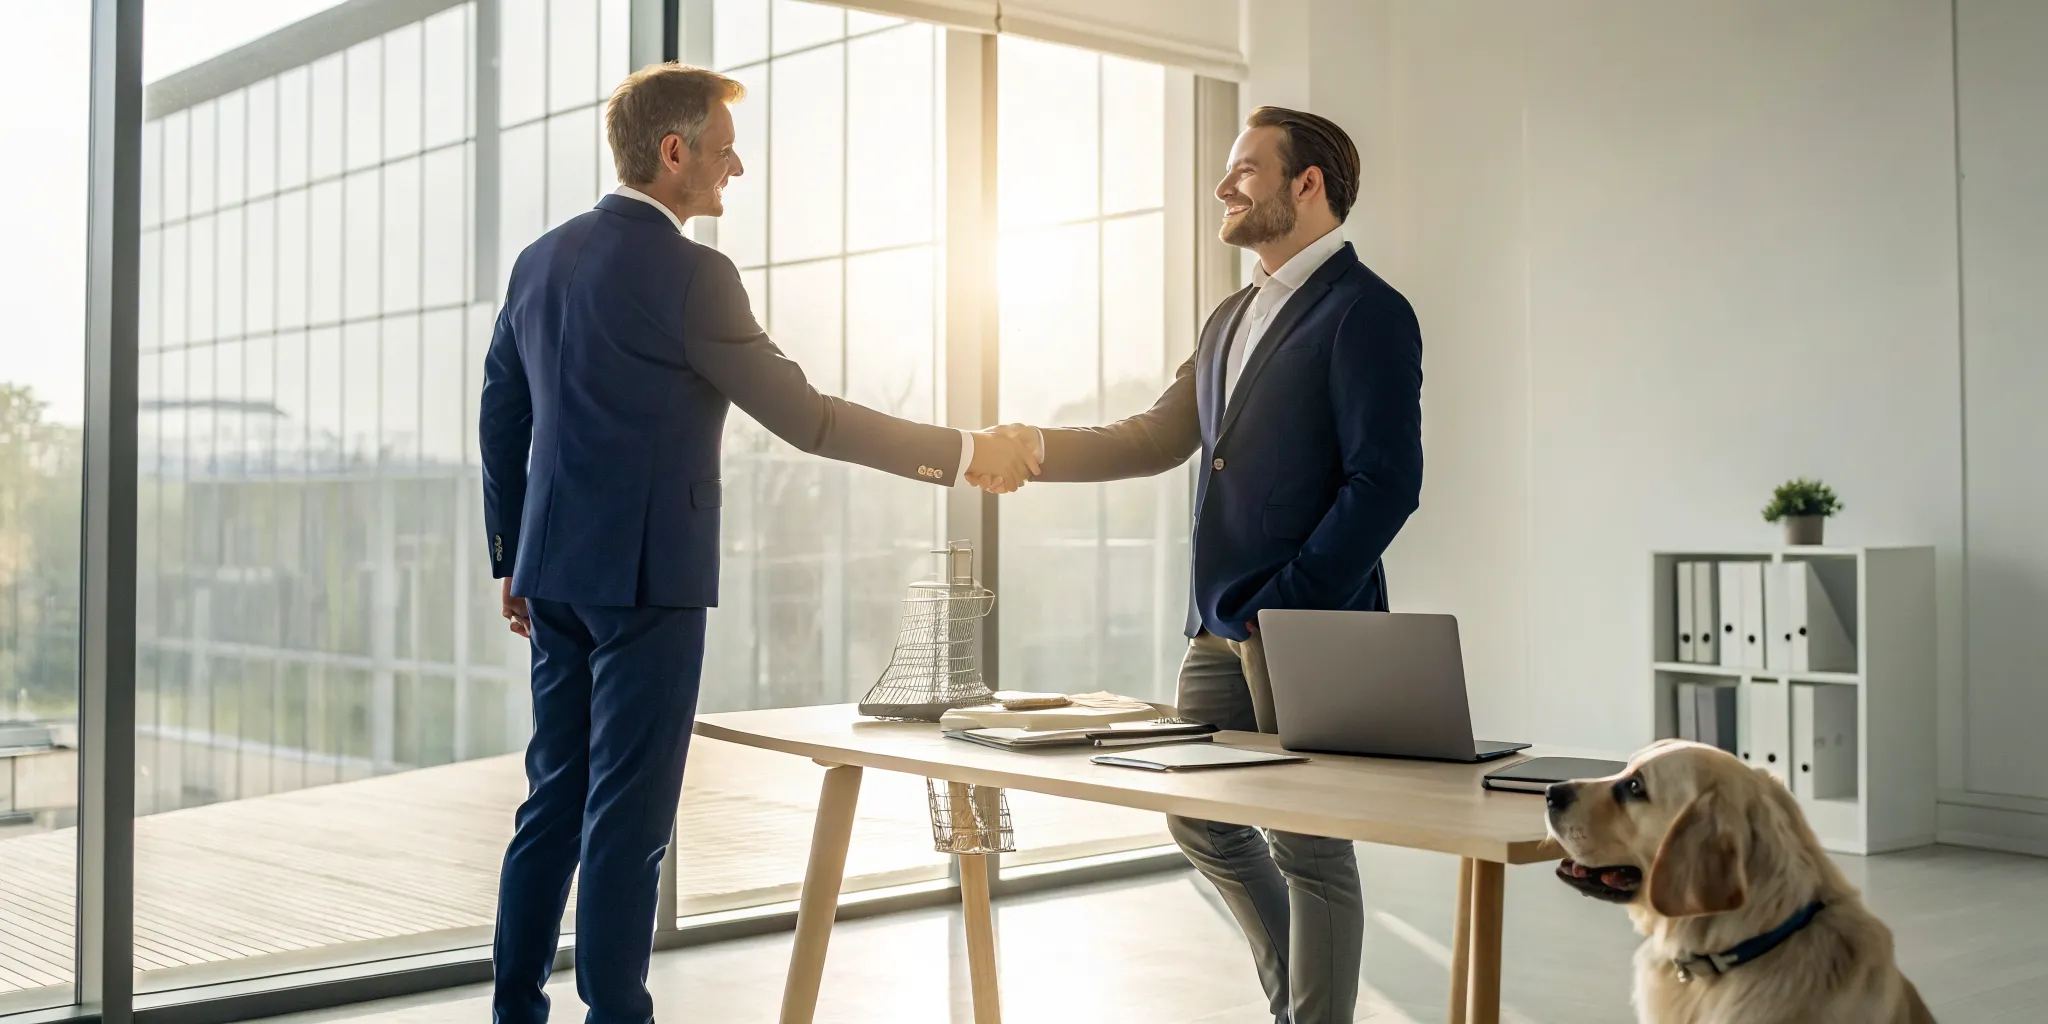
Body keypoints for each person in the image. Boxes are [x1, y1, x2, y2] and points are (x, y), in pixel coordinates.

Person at [478, 63, 1038, 1024]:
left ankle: (514, 1010)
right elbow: (809, 419)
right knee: (627, 821)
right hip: (648, 583)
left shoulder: (542, 259)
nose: (735, 167)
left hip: (552, 577)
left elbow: (501, 410)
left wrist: (509, 555)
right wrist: (963, 451)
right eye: (723, 148)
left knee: (553, 801)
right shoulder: (694, 275)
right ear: (672, 153)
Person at [972, 107, 1422, 1024]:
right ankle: (1300, 1005)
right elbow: (1159, 436)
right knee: (1200, 814)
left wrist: (1288, 606)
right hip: (1216, 629)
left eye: (1247, 170)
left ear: (1309, 185)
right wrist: (1034, 446)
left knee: (1311, 848)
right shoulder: (1230, 317)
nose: (1225, 187)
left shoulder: (1368, 311)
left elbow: (1386, 484)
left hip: (1305, 630)